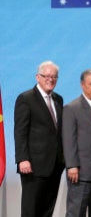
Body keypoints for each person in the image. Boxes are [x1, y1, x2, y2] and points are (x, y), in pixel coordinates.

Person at [14, 61, 65, 217]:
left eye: (54, 77)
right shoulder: (26, 98)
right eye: (46, 76)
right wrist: (22, 159)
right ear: (38, 77)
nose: (50, 79)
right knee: (31, 210)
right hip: (33, 166)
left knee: (47, 210)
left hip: (55, 165)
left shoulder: (58, 99)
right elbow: (20, 131)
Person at [62, 68, 91, 217]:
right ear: (83, 85)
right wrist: (71, 166)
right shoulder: (72, 108)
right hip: (81, 172)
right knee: (76, 212)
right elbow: (68, 139)